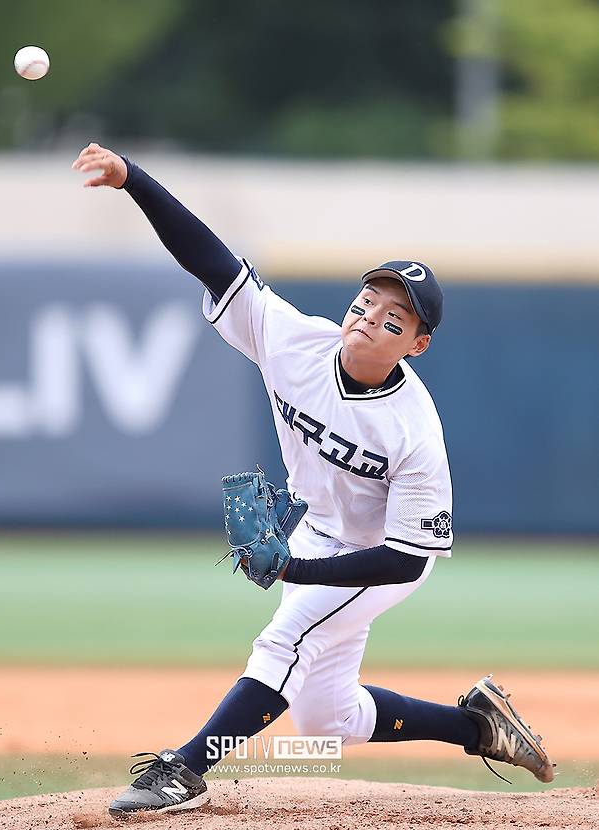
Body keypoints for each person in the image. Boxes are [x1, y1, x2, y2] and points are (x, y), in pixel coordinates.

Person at [71, 143, 555, 819]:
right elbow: (213, 263)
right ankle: (479, 726)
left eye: (395, 318)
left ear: (416, 344)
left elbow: (405, 557)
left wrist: (296, 570)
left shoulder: (414, 432)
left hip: (378, 556)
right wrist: (132, 180)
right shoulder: (296, 342)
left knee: (285, 640)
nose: (370, 318)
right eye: (366, 302)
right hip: (322, 535)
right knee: (325, 721)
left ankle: (182, 770)